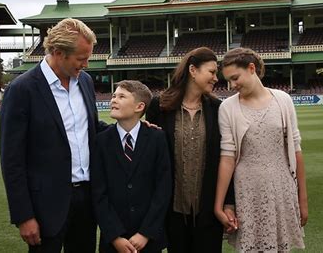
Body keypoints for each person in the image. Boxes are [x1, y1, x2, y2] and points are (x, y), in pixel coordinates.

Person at [0, 18, 108, 252]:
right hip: (44, 207)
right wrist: (23, 216)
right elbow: (12, 160)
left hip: (86, 201)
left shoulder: (85, 82)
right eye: (81, 59)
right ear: (58, 53)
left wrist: (129, 129)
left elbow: (92, 128)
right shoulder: (21, 90)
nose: (87, 64)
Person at [214, 47, 308, 252]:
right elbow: (227, 158)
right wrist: (219, 205)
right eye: (229, 80)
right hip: (246, 191)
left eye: (235, 78)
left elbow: (296, 151)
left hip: (282, 189)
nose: (232, 85)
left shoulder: (283, 100)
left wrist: (303, 200)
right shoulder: (227, 108)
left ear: (251, 68)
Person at [146, 47, 235, 253]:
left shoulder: (217, 108)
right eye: (211, 72)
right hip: (172, 211)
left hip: (208, 211)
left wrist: (229, 202)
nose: (216, 78)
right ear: (193, 70)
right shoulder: (159, 106)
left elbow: (226, 159)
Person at [92, 80, 172, 253]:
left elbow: (163, 189)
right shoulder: (101, 142)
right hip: (113, 242)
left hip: (148, 240)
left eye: (121, 96)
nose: (114, 100)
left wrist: (145, 233)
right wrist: (114, 236)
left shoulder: (157, 139)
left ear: (139, 106)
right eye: (113, 95)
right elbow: (99, 193)